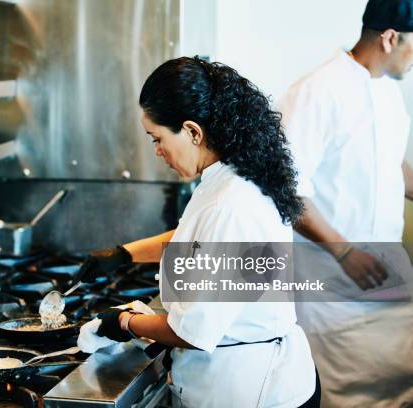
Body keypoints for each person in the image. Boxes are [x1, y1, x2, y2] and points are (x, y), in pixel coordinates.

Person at [77, 57, 319, 408]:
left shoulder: (231, 205)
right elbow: (197, 240)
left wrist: (126, 323)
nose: (157, 151)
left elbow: (191, 332)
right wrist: (124, 253)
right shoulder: (231, 178)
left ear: (192, 131)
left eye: (157, 138)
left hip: (252, 391)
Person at [278, 0, 413, 406]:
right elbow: (287, 189)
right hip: (330, 276)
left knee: (398, 386)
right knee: (344, 396)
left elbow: (391, 164)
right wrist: (345, 251)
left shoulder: (389, 89)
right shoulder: (316, 91)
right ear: (390, 38)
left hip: (384, 267)